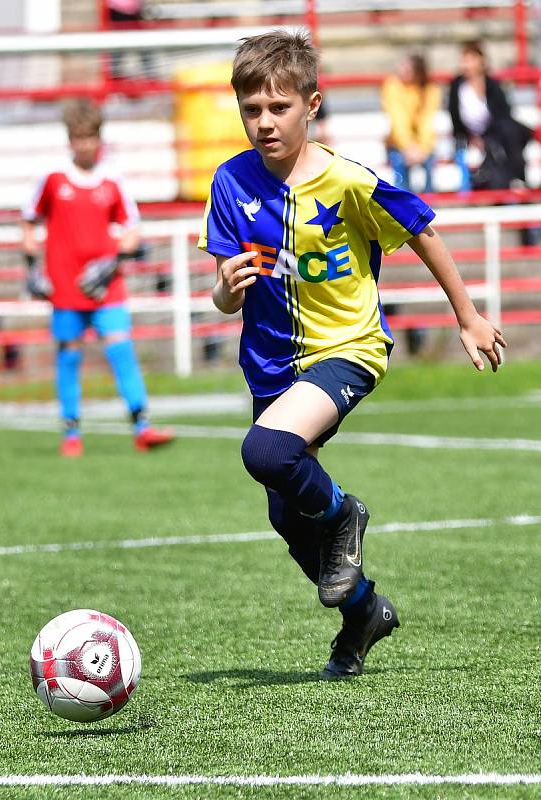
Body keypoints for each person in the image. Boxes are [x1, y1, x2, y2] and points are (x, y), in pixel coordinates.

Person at [200, 31, 506, 679]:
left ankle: (346, 512)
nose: (264, 122)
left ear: (312, 105)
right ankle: (363, 613)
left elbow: (422, 226)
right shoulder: (229, 183)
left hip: (347, 350)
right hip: (271, 368)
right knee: (286, 516)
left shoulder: (346, 181)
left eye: (278, 108)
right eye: (251, 109)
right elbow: (226, 298)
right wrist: (225, 290)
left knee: (265, 452)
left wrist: (469, 316)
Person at [21, 99, 174, 457]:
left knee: (121, 349)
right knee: (69, 355)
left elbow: (133, 230)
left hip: (105, 285)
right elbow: (29, 222)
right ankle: (71, 433)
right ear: (70, 140)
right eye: (79, 137)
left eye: (91, 137)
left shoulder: (112, 180)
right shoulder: (54, 179)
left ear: (99, 138)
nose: (85, 144)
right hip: (65, 286)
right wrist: (31, 270)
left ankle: (142, 426)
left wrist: (113, 260)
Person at [448, 40, 533, 191]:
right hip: (473, 136)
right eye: (464, 60)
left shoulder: (491, 84)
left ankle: (517, 177)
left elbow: (503, 113)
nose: (466, 65)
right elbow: (455, 117)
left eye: (470, 60)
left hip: (495, 133)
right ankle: (515, 179)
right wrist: (471, 138)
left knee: (510, 132)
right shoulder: (457, 86)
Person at [381, 53, 440, 193]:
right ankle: (404, 206)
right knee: (399, 164)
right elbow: (398, 120)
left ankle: (429, 204)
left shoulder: (430, 90)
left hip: (422, 146)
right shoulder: (392, 86)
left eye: (407, 68)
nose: (401, 70)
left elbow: (427, 121)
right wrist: (408, 147)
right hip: (398, 144)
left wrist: (422, 148)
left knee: (430, 162)